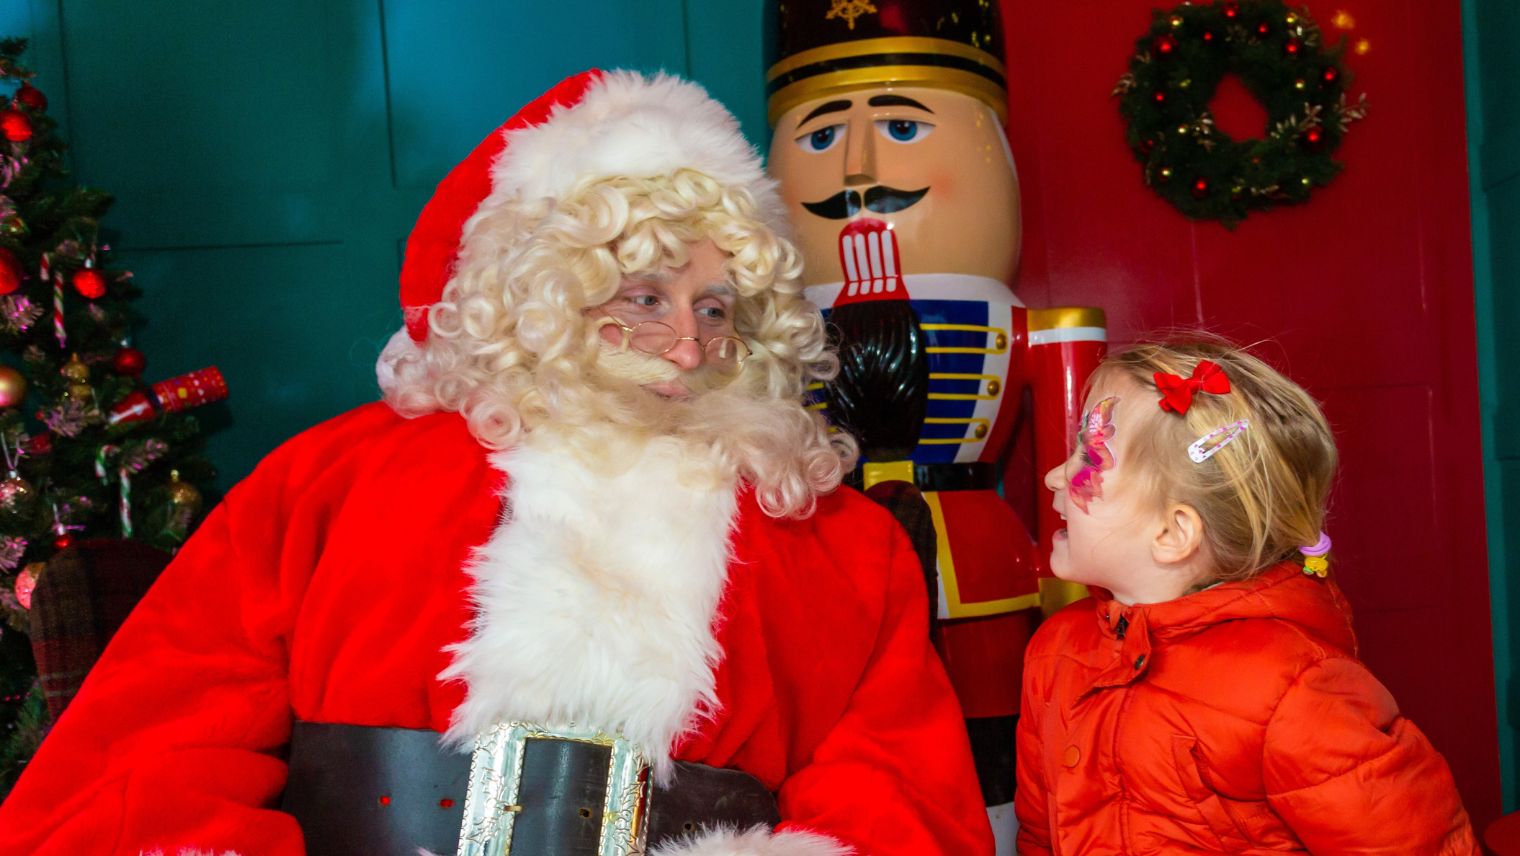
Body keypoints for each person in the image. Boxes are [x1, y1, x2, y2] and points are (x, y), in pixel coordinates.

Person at [0, 70, 994, 856]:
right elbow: (151, 752)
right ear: (546, 292)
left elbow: (898, 794)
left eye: (715, 308)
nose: (689, 346)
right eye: (645, 298)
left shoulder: (839, 542)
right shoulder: (330, 481)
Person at [763, 4, 1105, 849]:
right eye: (820, 137)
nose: (858, 167)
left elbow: (1080, 468)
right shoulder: (764, 335)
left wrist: (1076, 595)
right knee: (844, 744)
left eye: (903, 127)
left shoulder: (1038, 327)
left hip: (977, 567)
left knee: (992, 741)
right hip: (830, 560)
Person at [1015, 340, 1480, 854]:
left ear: (1173, 533)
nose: (1054, 476)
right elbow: (1039, 833)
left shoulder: (1291, 687)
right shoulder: (1054, 653)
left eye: (1088, 456)